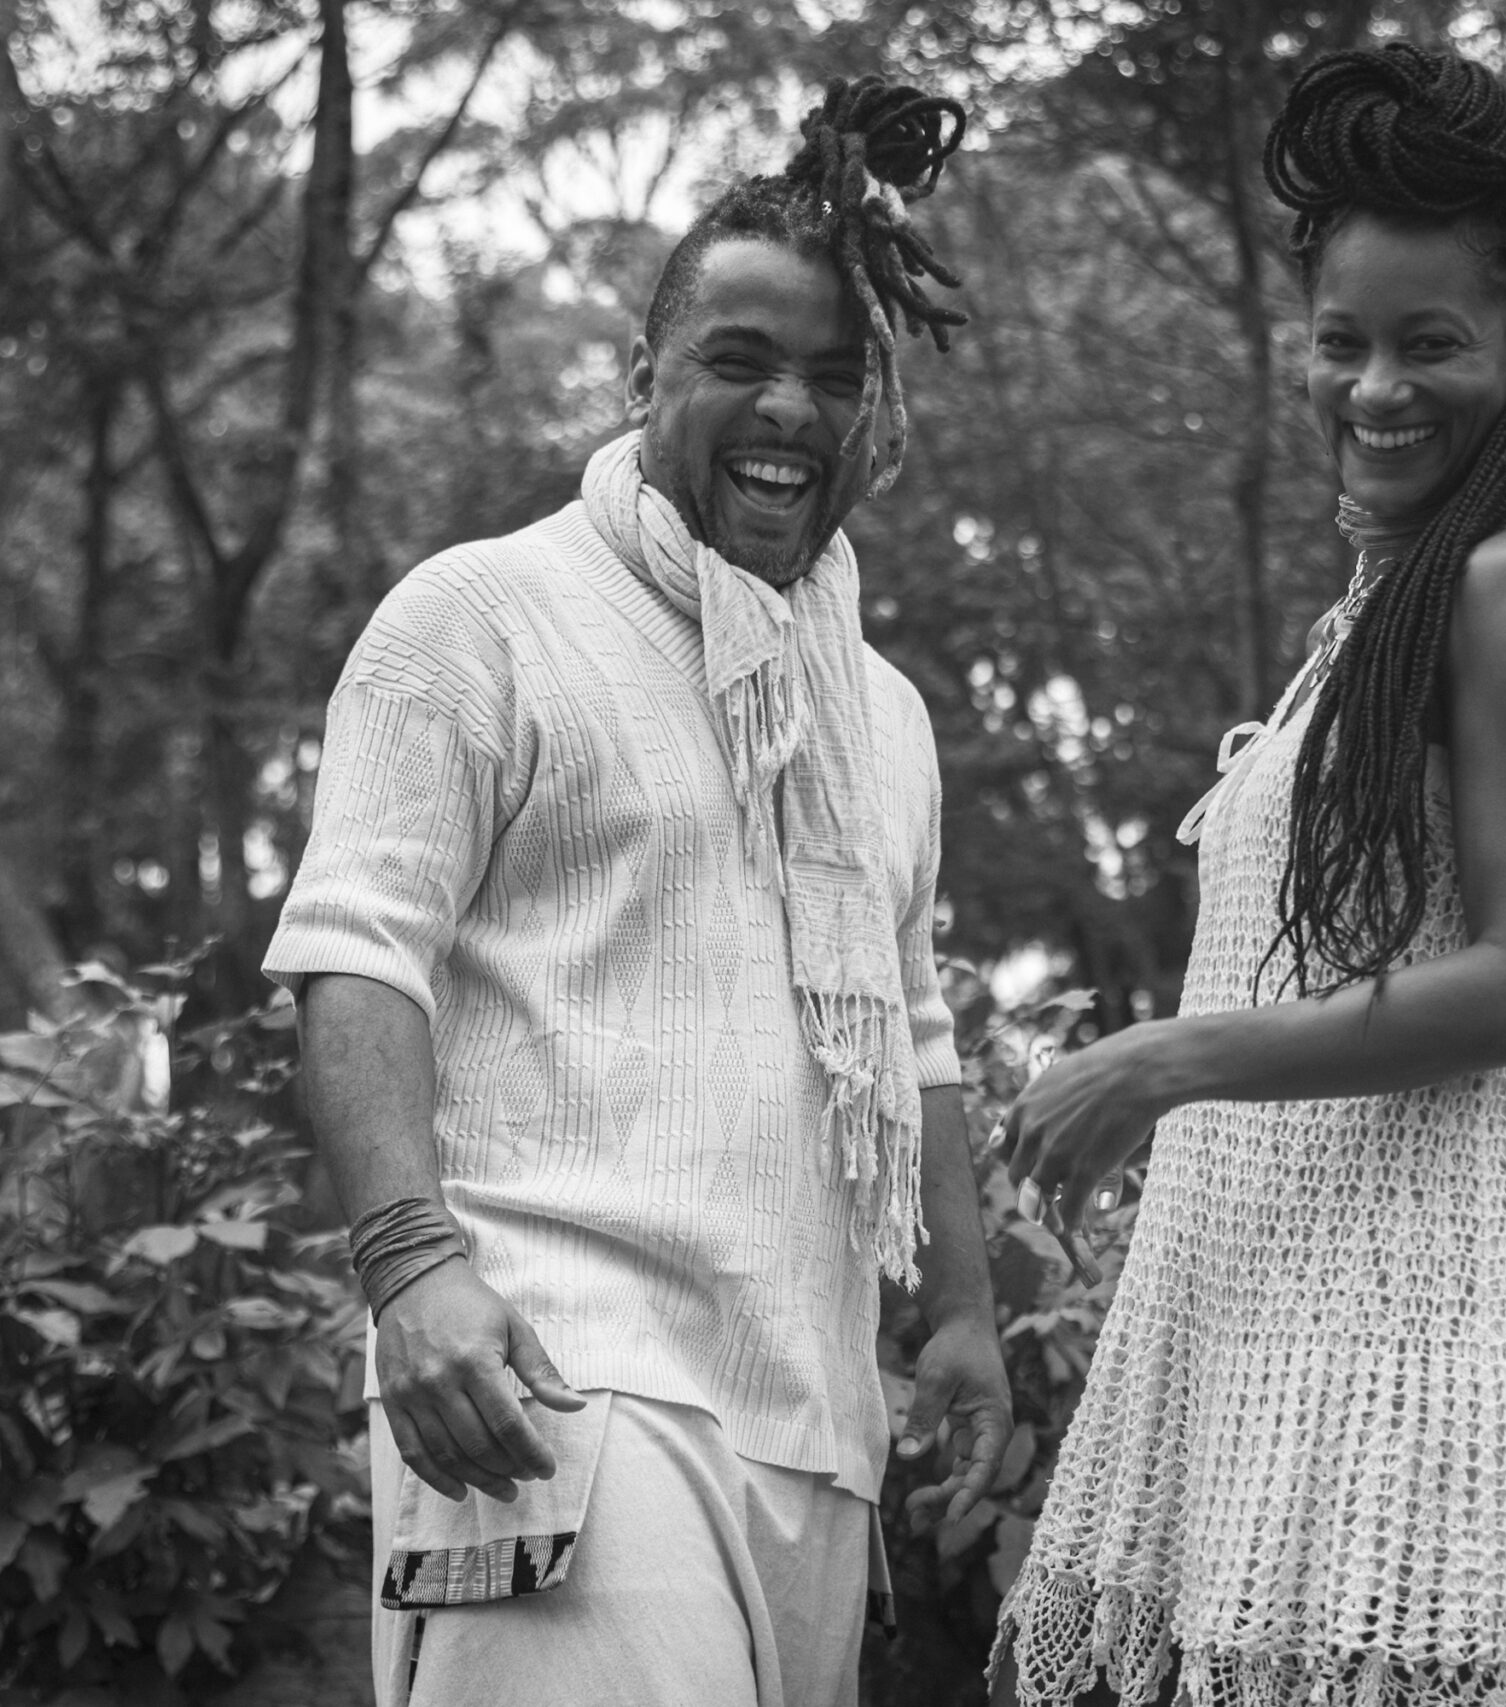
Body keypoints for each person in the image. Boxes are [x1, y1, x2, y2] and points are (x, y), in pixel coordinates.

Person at [263, 77, 1010, 1707]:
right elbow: (356, 954)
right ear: (641, 375)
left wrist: (961, 1313)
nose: (790, 410)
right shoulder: (480, 615)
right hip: (552, 1379)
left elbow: (914, 1032)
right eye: (739, 361)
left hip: (815, 1423)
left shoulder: (880, 713)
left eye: (836, 376)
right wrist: (411, 1269)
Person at [989, 44, 1506, 1707]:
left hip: (1408, 1369)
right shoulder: (1388, 610)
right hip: (1289, 1340)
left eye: (1432, 342)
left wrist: (1157, 1062)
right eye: (1341, 341)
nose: (1375, 388)